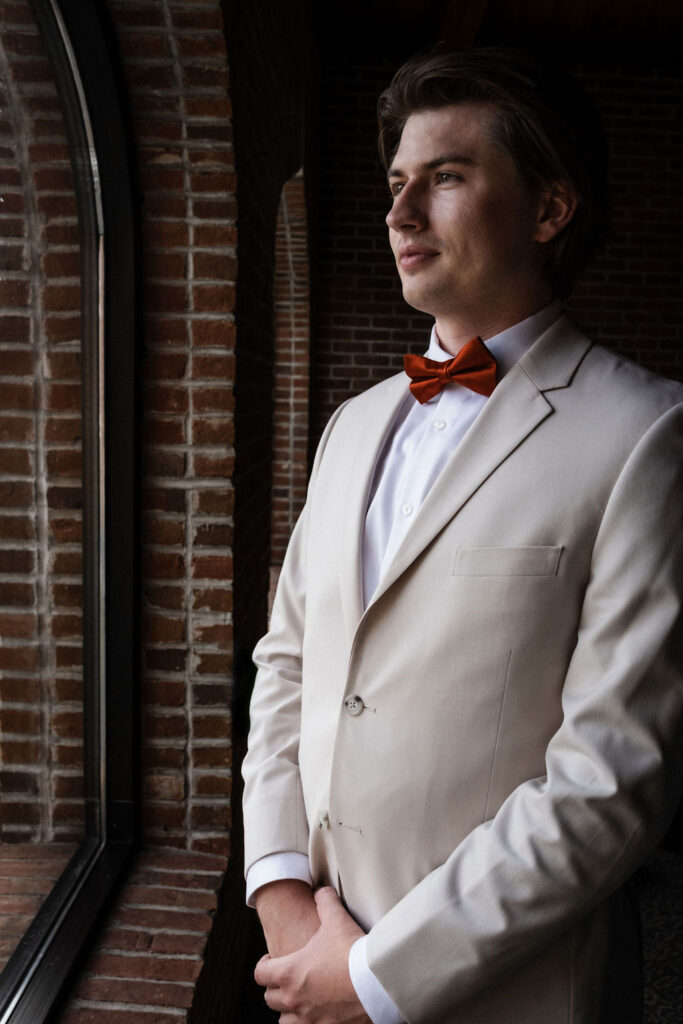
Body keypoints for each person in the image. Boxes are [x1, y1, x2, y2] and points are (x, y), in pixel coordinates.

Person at [242, 47, 683, 1024]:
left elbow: (612, 775)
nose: (398, 214)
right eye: (396, 183)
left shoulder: (646, 434)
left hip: (510, 991)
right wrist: (280, 901)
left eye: (443, 179)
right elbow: (286, 663)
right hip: (308, 958)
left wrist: (376, 977)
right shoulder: (349, 424)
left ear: (546, 209)